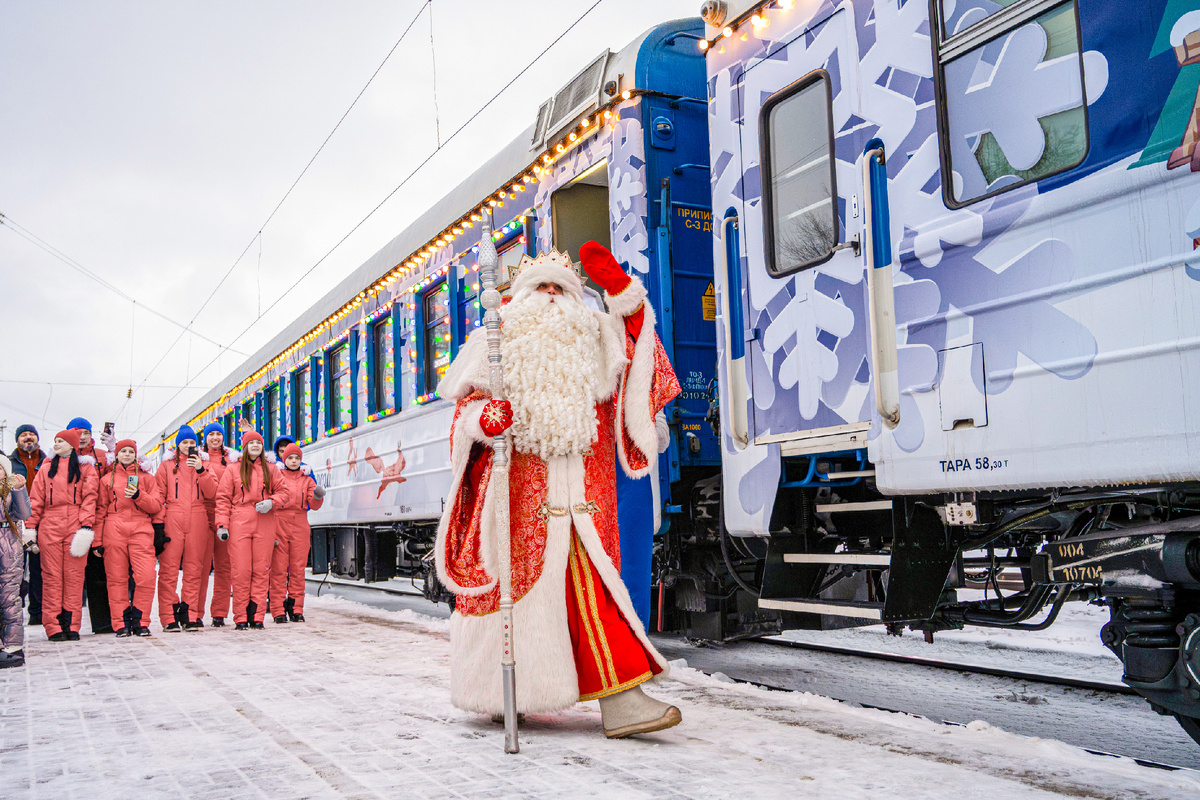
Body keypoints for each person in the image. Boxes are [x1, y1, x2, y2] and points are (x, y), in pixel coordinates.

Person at [434, 242, 683, 739]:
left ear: (577, 298)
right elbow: (461, 418)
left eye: (560, 289)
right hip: (518, 500)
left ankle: (622, 701)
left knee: (596, 591)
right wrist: (484, 419)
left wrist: (624, 297)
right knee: (515, 594)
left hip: (585, 496)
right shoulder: (495, 340)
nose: (551, 297)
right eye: (541, 287)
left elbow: (643, 366)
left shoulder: (597, 336)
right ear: (520, 297)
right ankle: (500, 693)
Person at [25, 429, 99, 641]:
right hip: (50, 526)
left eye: (61, 441)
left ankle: (72, 624)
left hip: (75, 526)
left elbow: (90, 498)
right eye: (55, 441)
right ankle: (53, 625)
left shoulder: (86, 468)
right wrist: (31, 527)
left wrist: (86, 527)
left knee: (74, 577)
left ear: (72, 445)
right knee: (51, 577)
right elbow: (36, 500)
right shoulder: (46, 467)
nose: (56, 444)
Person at [215, 431, 288, 630]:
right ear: (245, 446)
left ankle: (256, 617)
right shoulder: (233, 469)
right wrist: (222, 525)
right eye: (251, 443)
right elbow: (222, 498)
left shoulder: (271, 469)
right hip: (240, 520)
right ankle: (240, 617)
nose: (255, 445)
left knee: (261, 571)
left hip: (265, 520)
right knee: (241, 571)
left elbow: (284, 492)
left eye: (259, 442)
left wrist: (271, 502)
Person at [153, 426, 217, 632]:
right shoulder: (166, 466)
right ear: (177, 444)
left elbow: (213, 492)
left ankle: (189, 615)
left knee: (194, 569)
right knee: (168, 570)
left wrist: (200, 470)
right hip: (173, 517)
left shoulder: (205, 464)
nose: (188, 446)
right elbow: (158, 496)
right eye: (185, 443)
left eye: (192, 443)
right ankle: (168, 616)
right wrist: (159, 525)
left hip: (198, 518)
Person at [95, 440, 161, 637]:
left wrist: (139, 496)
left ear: (136, 455)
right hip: (113, 529)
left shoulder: (147, 479)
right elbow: (100, 511)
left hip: (141, 528)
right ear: (116, 455)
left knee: (146, 577)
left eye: (130, 451)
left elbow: (156, 506)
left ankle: (141, 621)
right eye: (122, 451)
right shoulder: (107, 480)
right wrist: (97, 541)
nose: (126, 454)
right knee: (116, 579)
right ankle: (121, 623)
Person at [67, 417, 113, 634]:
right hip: (68, 521)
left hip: (97, 520)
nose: (82, 436)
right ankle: (66, 623)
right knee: (70, 575)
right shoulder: (61, 456)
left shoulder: (102, 456)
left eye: (86, 432)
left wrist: (114, 447)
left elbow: (120, 473)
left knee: (98, 574)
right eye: (77, 432)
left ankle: (103, 622)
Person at [270, 443, 324, 623]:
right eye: (290, 458)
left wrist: (317, 495)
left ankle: (296, 608)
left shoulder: (307, 479)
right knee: (278, 569)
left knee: (298, 569)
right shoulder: (276, 475)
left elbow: (314, 505)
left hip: (300, 524)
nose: (294, 461)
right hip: (279, 522)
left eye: (297, 458)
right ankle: (277, 609)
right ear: (284, 459)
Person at [200, 422, 237, 626]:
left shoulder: (232, 460)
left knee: (224, 567)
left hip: (226, 517)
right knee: (202, 567)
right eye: (211, 434)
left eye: (218, 434)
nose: (215, 437)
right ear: (205, 438)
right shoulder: (198, 458)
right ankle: (196, 612)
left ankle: (219, 613)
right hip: (204, 516)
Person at [10, 423, 46, 625]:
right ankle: (14, 612)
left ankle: (37, 612)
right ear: (17, 440)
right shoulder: (9, 462)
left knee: (38, 568)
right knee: (15, 568)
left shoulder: (47, 461)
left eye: (32, 434)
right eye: (23, 435)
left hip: (41, 520)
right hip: (16, 520)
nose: (28, 437)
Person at [0, 453, 32, 667]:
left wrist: (20, 490)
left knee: (10, 599)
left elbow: (23, 513)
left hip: (9, 551)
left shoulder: (11, 491)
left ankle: (13, 647)